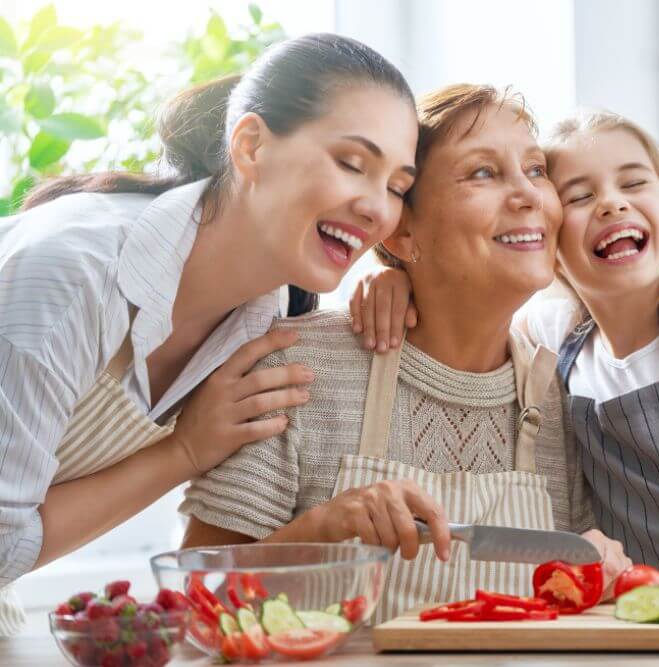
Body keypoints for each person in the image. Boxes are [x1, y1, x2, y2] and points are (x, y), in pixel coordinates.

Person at [0, 33, 418, 633]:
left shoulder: (270, 314)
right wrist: (185, 452)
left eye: (398, 188)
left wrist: (402, 281)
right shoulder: (69, 274)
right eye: (353, 163)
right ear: (250, 146)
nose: (378, 208)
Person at [180, 85, 629, 624]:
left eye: (535, 170)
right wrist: (323, 530)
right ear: (401, 229)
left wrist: (601, 569)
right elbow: (196, 599)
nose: (530, 195)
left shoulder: (554, 394)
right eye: (482, 173)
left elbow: (562, 610)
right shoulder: (298, 368)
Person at [353, 110, 659, 587]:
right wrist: (397, 277)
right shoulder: (553, 336)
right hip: (653, 612)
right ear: (551, 246)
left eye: (633, 184)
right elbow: (466, 306)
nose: (612, 205)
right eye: (580, 196)